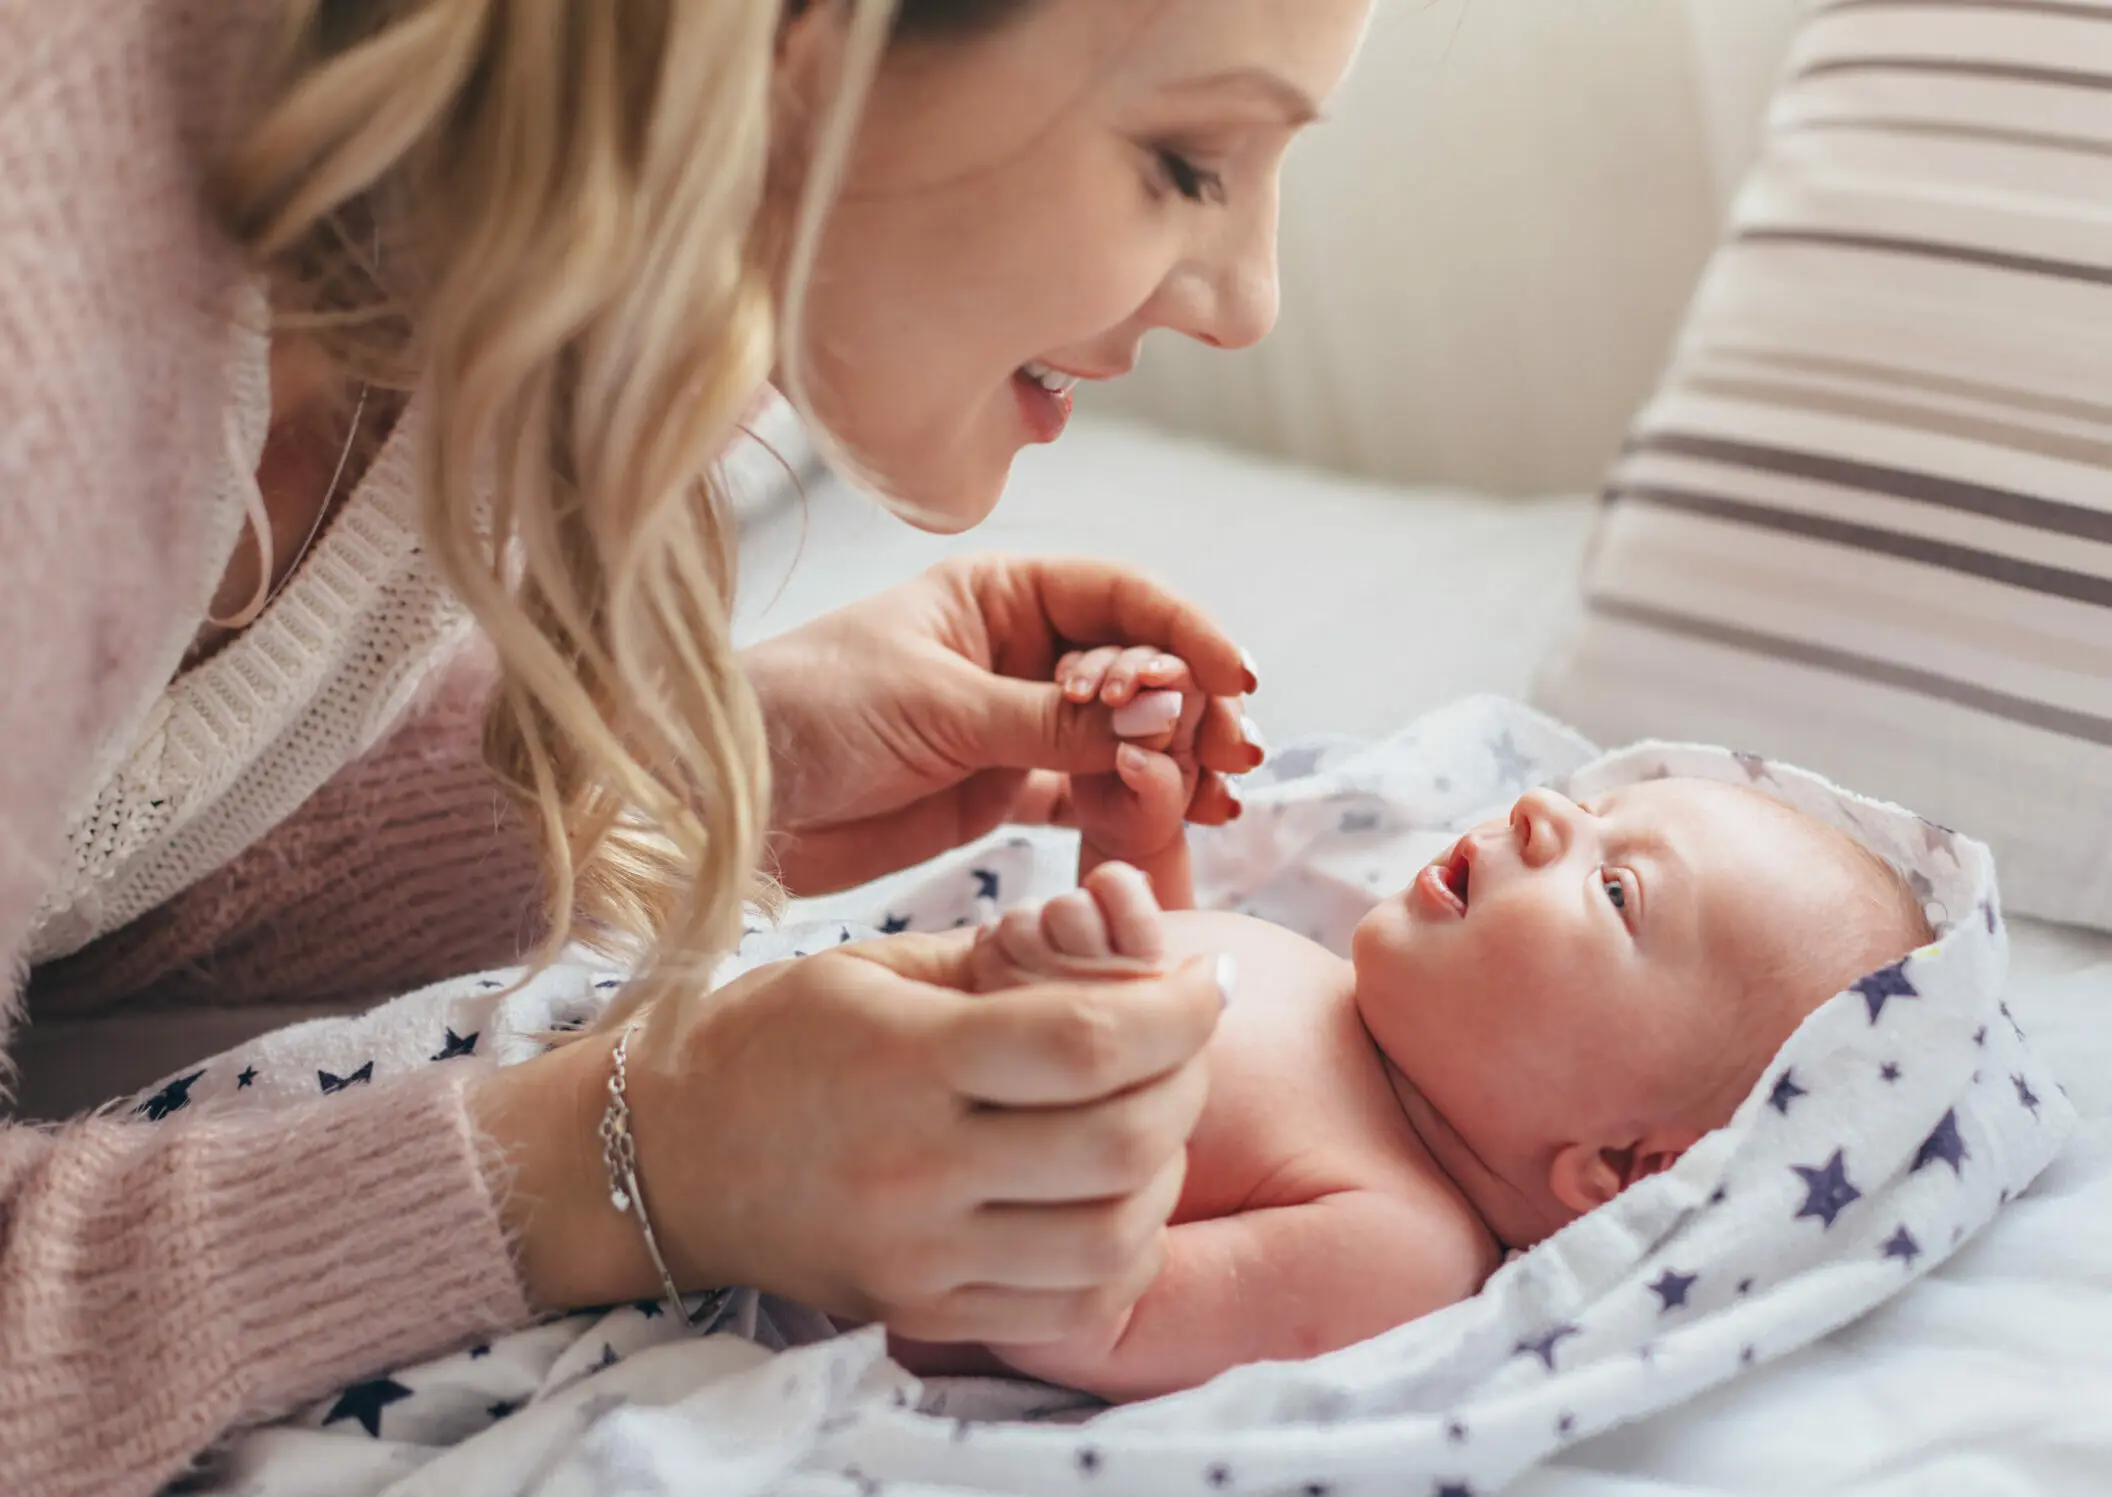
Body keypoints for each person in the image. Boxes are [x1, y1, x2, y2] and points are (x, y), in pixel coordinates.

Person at [0, 0, 1372, 1490]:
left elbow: (97, 839)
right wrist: (627, 1166)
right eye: (1187, 158)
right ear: (800, 44)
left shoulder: (487, 276)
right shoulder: (46, 312)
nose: (1249, 302)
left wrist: (686, 762)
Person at [891, 681, 1932, 1400]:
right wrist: (1132, 850)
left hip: (832, 1209)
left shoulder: (1402, 1246)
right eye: (1590, 808)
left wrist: (1059, 1107)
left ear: (1618, 1166)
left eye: (1617, 888)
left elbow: (1093, 1321)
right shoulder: (1335, 995)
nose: (1539, 814)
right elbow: (1169, 990)